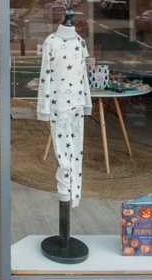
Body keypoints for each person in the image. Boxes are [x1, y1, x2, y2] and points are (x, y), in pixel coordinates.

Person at [37, 11, 92, 207]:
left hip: (77, 103)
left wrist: (87, 101)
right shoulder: (50, 42)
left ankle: (73, 196)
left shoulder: (80, 42)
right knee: (63, 156)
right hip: (58, 106)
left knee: (76, 152)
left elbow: (83, 74)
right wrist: (43, 107)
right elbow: (45, 75)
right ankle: (64, 194)